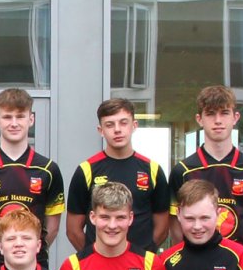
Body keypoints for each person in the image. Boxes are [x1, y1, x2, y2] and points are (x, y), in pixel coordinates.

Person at [0, 88, 64, 270]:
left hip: (35, 263)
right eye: (7, 117)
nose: (14, 123)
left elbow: (53, 227)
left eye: (20, 116)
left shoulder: (48, 170)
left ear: (31, 119)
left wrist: (29, 251)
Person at [168, 85, 243, 252]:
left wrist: (239, 260)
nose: (218, 120)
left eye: (224, 113)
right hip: (195, 261)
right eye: (210, 114)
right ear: (199, 119)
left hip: (236, 262)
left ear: (235, 118)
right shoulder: (182, 171)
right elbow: (176, 228)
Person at [64, 98, 170, 253]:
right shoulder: (86, 170)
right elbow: (73, 230)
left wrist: (143, 256)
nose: (117, 129)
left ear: (134, 125)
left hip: (139, 265)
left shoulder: (153, 170)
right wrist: (94, 256)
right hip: (98, 264)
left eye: (123, 123)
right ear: (101, 130)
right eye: (109, 124)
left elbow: (162, 227)